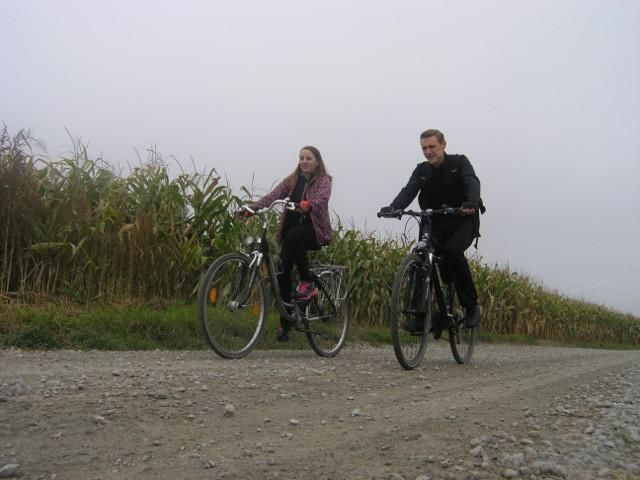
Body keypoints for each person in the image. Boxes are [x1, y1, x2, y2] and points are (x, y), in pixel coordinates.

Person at [380, 129, 484, 328]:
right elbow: (409, 190)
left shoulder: (459, 162)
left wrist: (472, 202)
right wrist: (394, 208)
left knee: (453, 252)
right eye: (424, 148)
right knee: (422, 256)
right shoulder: (422, 170)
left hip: (463, 219)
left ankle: (471, 307)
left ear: (443, 145)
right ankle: (419, 315)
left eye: (432, 147)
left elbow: (472, 181)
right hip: (434, 221)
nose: (428, 152)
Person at [243, 146, 332, 341]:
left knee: (295, 236)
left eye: (308, 158)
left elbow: (322, 200)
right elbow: (273, 196)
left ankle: (307, 283)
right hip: (290, 232)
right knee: (281, 273)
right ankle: (287, 321)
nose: (304, 161)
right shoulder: (292, 180)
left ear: (317, 161)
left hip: (313, 230)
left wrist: (309, 205)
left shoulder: (324, 180)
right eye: (301, 158)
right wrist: (252, 209)